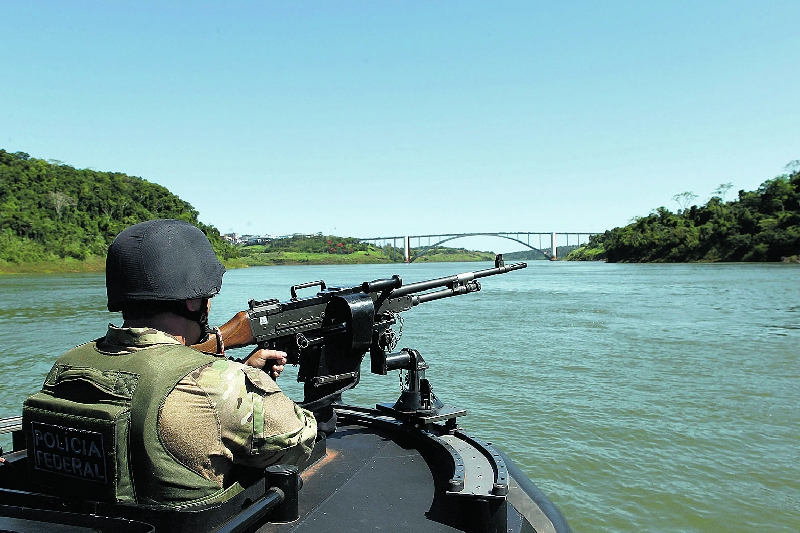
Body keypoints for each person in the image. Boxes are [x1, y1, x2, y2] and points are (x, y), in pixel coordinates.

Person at [22, 219, 317, 506]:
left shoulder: (65, 365)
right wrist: (248, 381)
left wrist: (235, 371)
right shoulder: (219, 382)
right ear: (192, 302)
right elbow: (299, 443)